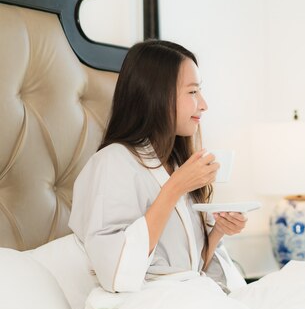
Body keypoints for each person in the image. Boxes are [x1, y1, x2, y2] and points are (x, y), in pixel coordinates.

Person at [69, 40, 247, 294]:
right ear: (157, 95)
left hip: (190, 301)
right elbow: (116, 274)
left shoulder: (177, 164)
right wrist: (174, 188)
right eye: (193, 92)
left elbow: (193, 270)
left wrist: (218, 231)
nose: (204, 104)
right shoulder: (112, 163)